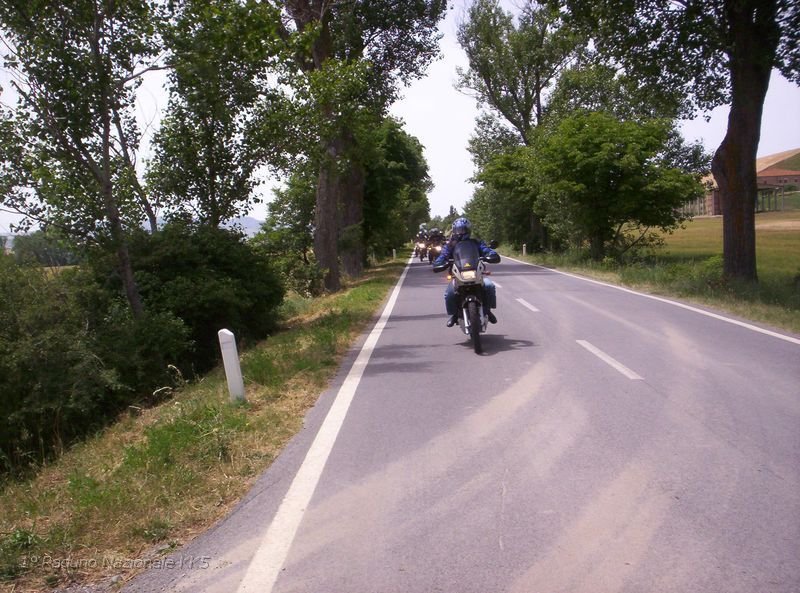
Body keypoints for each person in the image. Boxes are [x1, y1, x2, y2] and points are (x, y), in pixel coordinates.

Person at [434, 217, 499, 327]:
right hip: (458, 275)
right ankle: (454, 315)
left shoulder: (476, 242)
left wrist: (491, 255)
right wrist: (439, 263)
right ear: (454, 231)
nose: (460, 233)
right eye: (458, 230)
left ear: (468, 230)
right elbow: (443, 256)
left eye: (463, 230)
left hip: (476, 272)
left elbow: (486, 250)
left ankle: (487, 310)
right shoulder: (450, 245)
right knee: (449, 293)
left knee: (489, 286)